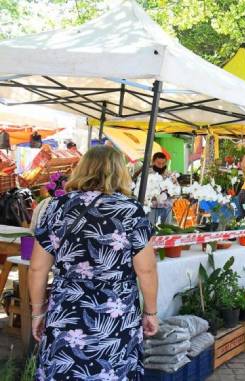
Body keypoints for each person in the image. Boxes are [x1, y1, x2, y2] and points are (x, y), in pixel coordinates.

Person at [29, 145, 158, 380]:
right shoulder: (131, 211)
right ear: (120, 172)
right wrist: (150, 311)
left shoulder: (55, 208)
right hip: (115, 317)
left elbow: (37, 267)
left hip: (66, 312)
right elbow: (146, 270)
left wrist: (38, 312)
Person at [147, 152, 176, 225]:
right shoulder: (147, 174)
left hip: (167, 207)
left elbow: (176, 190)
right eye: (158, 163)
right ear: (153, 162)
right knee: (151, 229)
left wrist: (169, 191)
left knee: (166, 230)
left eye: (163, 163)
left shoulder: (170, 174)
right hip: (152, 207)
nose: (161, 166)